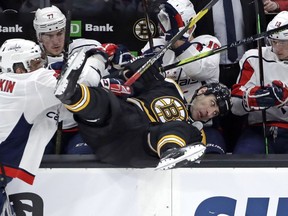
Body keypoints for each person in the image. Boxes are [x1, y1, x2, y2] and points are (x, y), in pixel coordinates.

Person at [54, 45, 232, 170]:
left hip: (137, 147)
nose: (209, 112)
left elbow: (196, 152)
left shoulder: (195, 132)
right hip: (112, 132)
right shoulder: (168, 86)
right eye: (212, 103)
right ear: (202, 90)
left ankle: (170, 153)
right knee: (108, 102)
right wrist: (130, 68)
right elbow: (136, 72)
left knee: (180, 127)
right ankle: (72, 93)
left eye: (214, 113)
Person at [141, 0, 226, 154]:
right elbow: (143, 85)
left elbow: (198, 70)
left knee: (212, 160)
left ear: (190, 25)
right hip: (161, 124)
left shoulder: (207, 42)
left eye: (171, 23)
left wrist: (178, 42)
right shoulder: (154, 45)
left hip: (202, 126)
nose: (165, 28)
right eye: (164, 22)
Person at [0, 38, 68, 215]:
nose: (41, 67)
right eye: (35, 63)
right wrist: (94, 60)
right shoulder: (34, 82)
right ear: (18, 69)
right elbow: (74, 90)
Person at [191, 0, 266, 152]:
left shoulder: (252, 1)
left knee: (240, 118)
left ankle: (237, 154)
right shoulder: (199, 2)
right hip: (211, 70)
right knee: (212, 116)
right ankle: (215, 151)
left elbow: (260, 33)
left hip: (243, 69)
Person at [33, 5, 109, 154]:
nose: (56, 41)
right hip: (43, 129)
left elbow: (103, 58)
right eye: (49, 35)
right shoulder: (30, 57)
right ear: (39, 36)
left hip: (80, 128)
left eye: (60, 33)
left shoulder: (85, 47)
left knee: (81, 155)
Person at [231, 11, 288, 154]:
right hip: (259, 129)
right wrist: (257, 97)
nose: (277, 48)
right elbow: (235, 105)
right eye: (274, 42)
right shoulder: (254, 57)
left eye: (283, 43)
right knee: (241, 163)